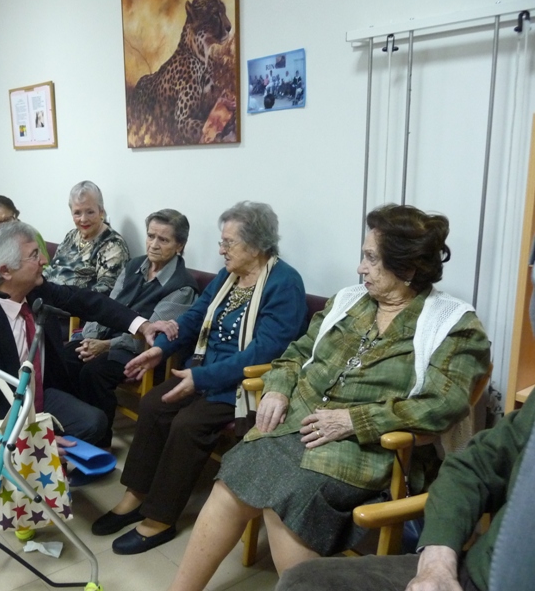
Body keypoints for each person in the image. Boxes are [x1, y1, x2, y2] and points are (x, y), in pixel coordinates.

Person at [168, 204, 492, 590]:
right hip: (295, 425)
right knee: (231, 479)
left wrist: (355, 420)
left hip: (365, 447)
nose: (360, 268)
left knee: (289, 500)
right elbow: (295, 353)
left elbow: (444, 404)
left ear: (406, 268)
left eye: (371, 258)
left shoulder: (453, 325)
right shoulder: (349, 301)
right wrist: (277, 387)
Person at [92, 201, 308, 555]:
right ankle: (136, 495)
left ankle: (160, 518)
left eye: (228, 243)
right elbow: (193, 318)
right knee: (154, 403)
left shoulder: (284, 284)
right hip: (204, 370)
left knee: (187, 424)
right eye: (222, 242)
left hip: (244, 386)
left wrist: (202, 377)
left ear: (256, 245)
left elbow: (264, 353)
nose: (221, 249)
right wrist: (160, 350)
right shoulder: (228, 276)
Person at [0, 221, 157, 509]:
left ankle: (43, 474)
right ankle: (22, 473)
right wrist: (31, 442)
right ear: (5, 270)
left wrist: (141, 325)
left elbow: (85, 301)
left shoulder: (31, 290)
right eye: (34, 255)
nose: (45, 260)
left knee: (93, 422)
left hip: (36, 396)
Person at [276, 390, 535, 591]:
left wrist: (357, 419)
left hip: (374, 448)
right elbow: (475, 465)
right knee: (302, 582)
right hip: (478, 569)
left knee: (296, 487)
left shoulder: (457, 338)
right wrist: (438, 560)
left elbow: (444, 404)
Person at [62, 208, 199, 448]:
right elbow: (107, 307)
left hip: (141, 352)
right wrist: (88, 339)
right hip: (106, 341)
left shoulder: (182, 286)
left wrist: (105, 346)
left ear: (180, 245)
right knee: (64, 357)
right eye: (151, 236)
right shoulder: (134, 265)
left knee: (94, 372)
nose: (153, 245)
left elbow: (152, 336)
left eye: (163, 240)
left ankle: (99, 442)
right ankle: (72, 430)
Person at [42, 180, 129, 295]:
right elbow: (52, 268)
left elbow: (104, 291)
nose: (83, 219)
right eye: (77, 213)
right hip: (46, 296)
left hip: (72, 304)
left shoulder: (113, 245)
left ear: (101, 211)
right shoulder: (72, 235)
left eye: (90, 212)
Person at [0, 194, 49, 262]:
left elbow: (45, 265)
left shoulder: (32, 234)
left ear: (15, 215)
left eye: (8, 220)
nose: (4, 226)